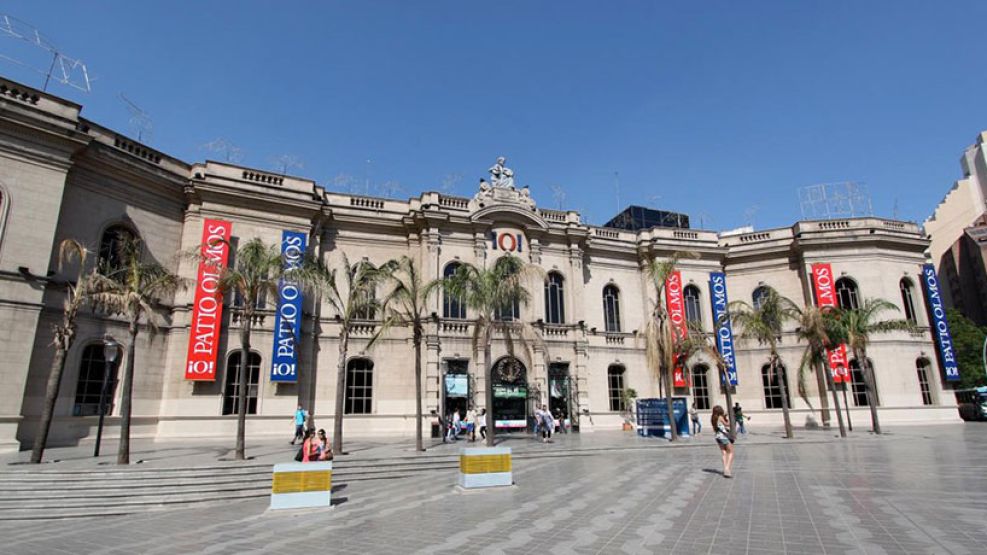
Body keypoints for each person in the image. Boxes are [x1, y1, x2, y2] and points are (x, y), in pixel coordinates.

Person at [711, 405, 734, 478]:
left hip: (717, 437)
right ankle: (727, 469)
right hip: (723, 436)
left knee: (724, 452)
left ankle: (725, 468)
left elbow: (716, 428)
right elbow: (727, 424)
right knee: (730, 452)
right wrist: (730, 420)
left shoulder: (713, 418)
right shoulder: (720, 417)